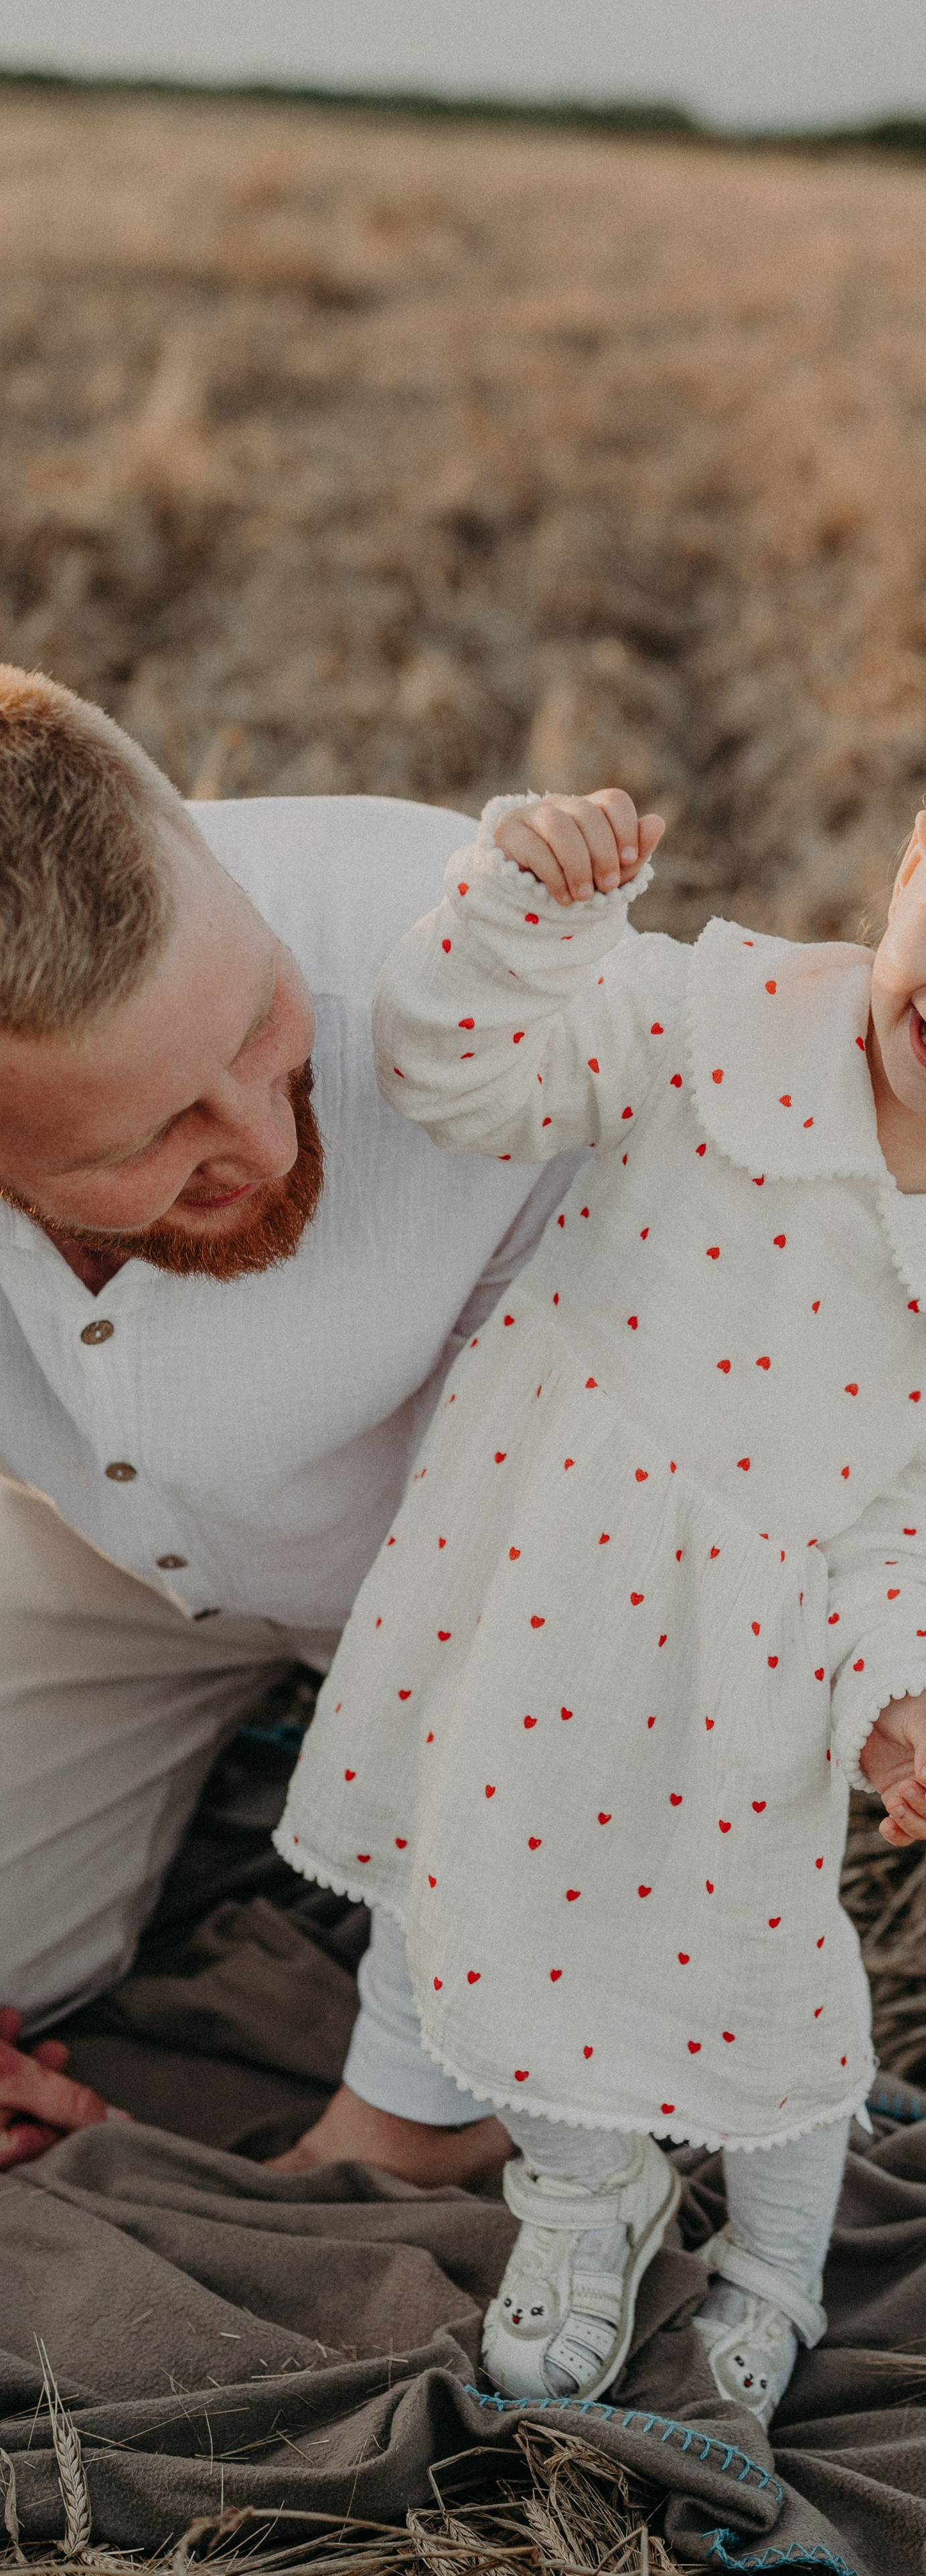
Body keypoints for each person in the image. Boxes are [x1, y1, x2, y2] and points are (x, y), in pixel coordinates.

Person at [274, 639, 926, 2420]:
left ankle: (773, 2268)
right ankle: (585, 2186)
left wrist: (902, 1695)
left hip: (745, 1667)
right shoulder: (712, 1023)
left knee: (753, 1975)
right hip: (535, 1576)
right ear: (917, 849)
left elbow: (923, 1540)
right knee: (489, 1875)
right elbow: (461, 1078)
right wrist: (520, 918)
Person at [0, 665, 596, 2177]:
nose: (267, 1139)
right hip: (84, 1553)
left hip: (516, 1584)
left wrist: (375, 2139)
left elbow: (556, 1615)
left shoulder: (520, 1008)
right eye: (157, 1135)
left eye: (265, 1016)